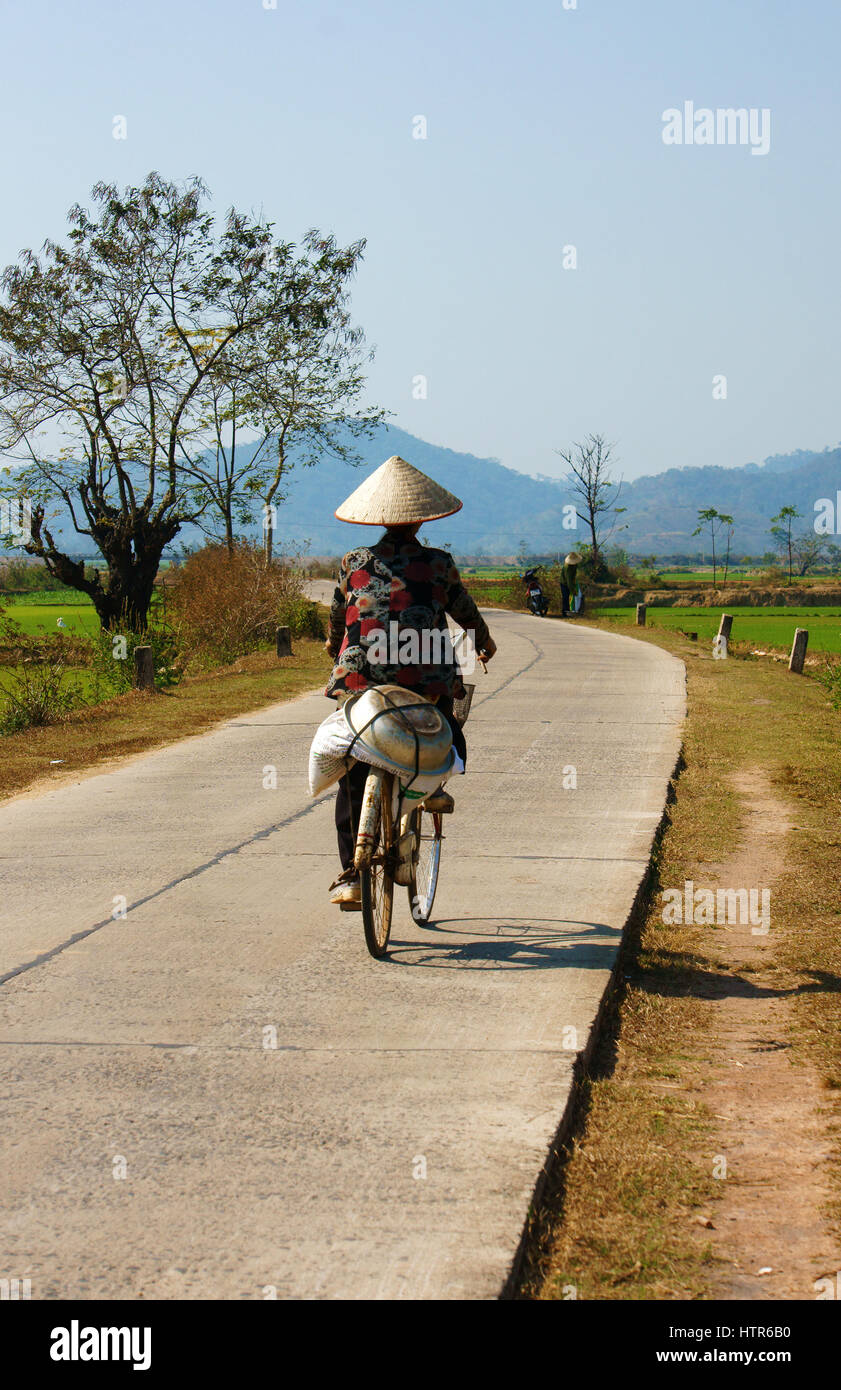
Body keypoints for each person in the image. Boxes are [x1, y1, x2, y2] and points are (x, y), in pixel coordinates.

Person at [324, 454, 497, 908]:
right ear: (420, 518)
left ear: (376, 519)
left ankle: (349, 875)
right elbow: (463, 611)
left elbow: (339, 619)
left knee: (351, 768)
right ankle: (437, 786)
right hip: (424, 676)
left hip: (361, 677)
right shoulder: (438, 563)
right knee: (444, 722)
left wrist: (334, 649)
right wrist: (484, 642)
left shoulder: (353, 561)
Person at [561, 550, 581, 617]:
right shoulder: (568, 568)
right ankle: (565, 613)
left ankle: (571, 611)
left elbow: (574, 576)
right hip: (564, 583)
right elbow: (568, 581)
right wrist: (573, 590)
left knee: (573, 597)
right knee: (565, 597)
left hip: (571, 582)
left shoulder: (575, 565)